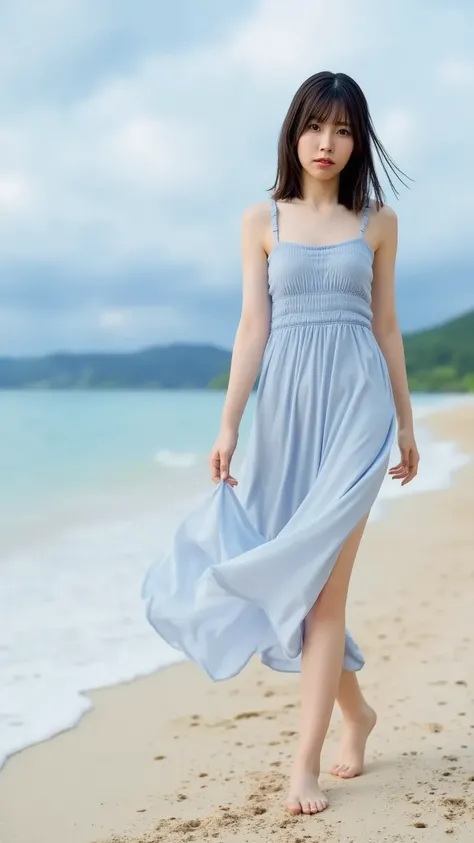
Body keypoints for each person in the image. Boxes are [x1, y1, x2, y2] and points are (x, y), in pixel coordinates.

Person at [142, 70, 420, 817]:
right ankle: (355, 713)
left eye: (342, 130)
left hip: (357, 416)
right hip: (285, 416)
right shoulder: (262, 220)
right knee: (301, 592)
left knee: (325, 596)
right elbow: (252, 327)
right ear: (293, 132)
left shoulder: (378, 221)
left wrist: (407, 419)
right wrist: (230, 421)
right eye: (314, 126)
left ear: (357, 141)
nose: (326, 143)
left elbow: (386, 327)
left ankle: (305, 765)